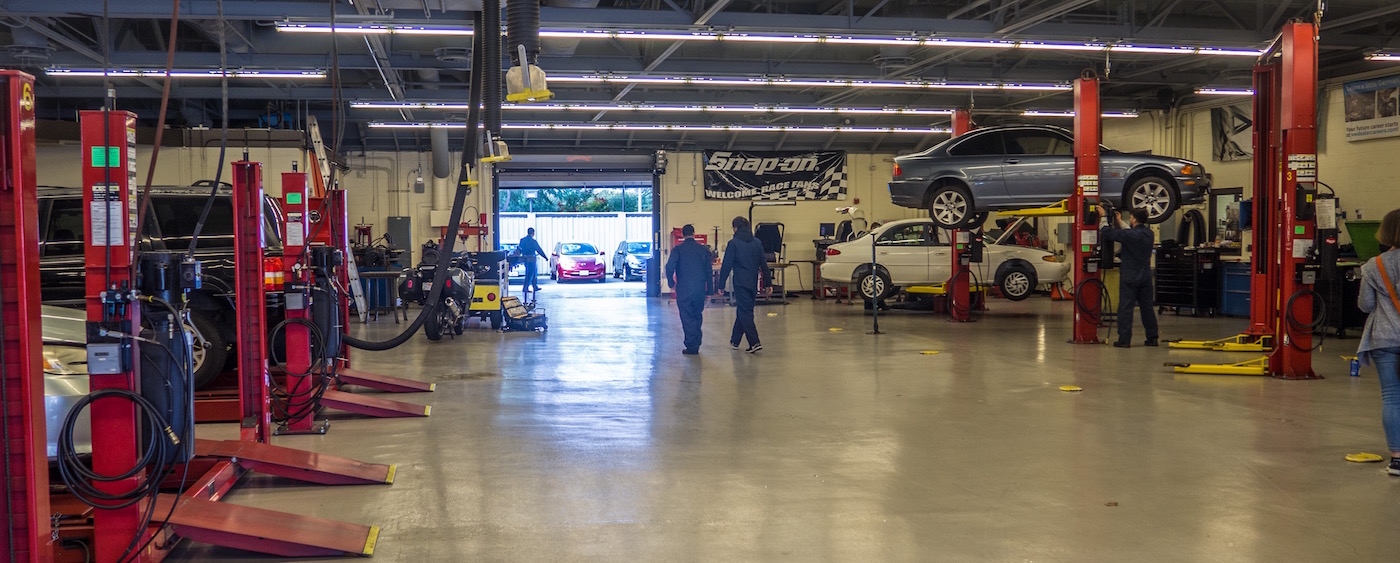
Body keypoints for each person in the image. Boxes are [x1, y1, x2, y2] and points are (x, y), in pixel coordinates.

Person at [1358, 208, 1400, 475]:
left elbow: (1365, 305)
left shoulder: (1375, 265)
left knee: (1392, 398)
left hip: (1385, 337)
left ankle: (1397, 459)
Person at [1100, 207, 1159, 348]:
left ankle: (1124, 340)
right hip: (1145, 276)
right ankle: (1152, 338)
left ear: (1133, 219)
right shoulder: (1149, 234)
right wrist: (1120, 221)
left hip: (1129, 277)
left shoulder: (1131, 235)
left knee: (1126, 308)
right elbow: (1131, 233)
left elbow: (1108, 233)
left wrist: (1103, 217)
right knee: (1147, 309)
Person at [718, 216, 770, 353]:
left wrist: (721, 285)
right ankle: (735, 340)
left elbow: (726, 265)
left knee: (745, 311)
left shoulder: (733, 243)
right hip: (753, 282)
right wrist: (768, 283)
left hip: (740, 283)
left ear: (735, 228)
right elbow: (764, 264)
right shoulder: (757, 242)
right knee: (745, 310)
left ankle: (754, 342)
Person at [666, 225, 715, 356]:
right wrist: (710, 291)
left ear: (682, 234)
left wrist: (672, 283)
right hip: (699, 289)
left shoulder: (678, 249)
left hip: (684, 289)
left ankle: (692, 346)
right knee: (697, 316)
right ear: (694, 233)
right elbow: (709, 272)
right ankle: (696, 343)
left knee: (687, 317)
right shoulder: (703, 250)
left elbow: (669, 267)